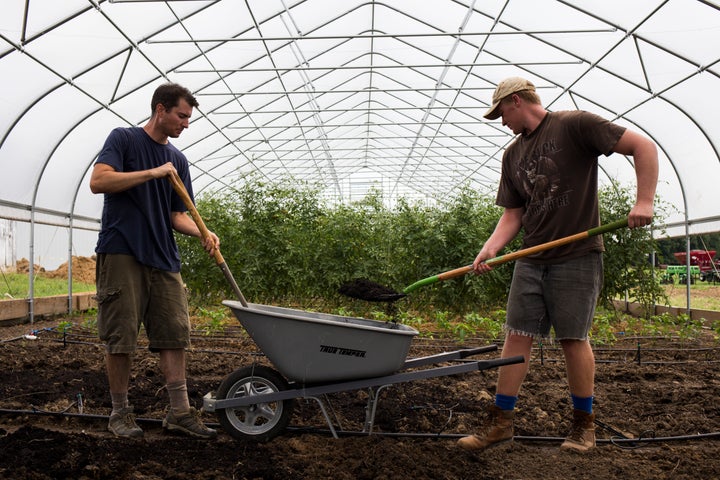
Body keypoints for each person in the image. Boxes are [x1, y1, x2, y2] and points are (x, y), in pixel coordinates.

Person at [457, 77, 658, 453]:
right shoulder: (512, 155)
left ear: (516, 101)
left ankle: (584, 426)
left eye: (501, 112)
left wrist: (643, 201)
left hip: (576, 256)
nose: (502, 122)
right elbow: (514, 214)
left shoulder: (575, 125)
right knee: (517, 334)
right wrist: (490, 249)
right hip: (530, 258)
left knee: (572, 339)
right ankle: (500, 423)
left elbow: (642, 146)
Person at [90, 82, 220, 439]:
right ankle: (119, 413)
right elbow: (98, 181)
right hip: (122, 251)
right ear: (160, 109)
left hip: (163, 256)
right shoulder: (124, 139)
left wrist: (203, 233)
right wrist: (152, 172)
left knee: (174, 333)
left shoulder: (178, 161)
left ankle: (179, 412)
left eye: (188, 118)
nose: (186, 124)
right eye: (181, 116)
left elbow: (177, 214)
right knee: (122, 335)